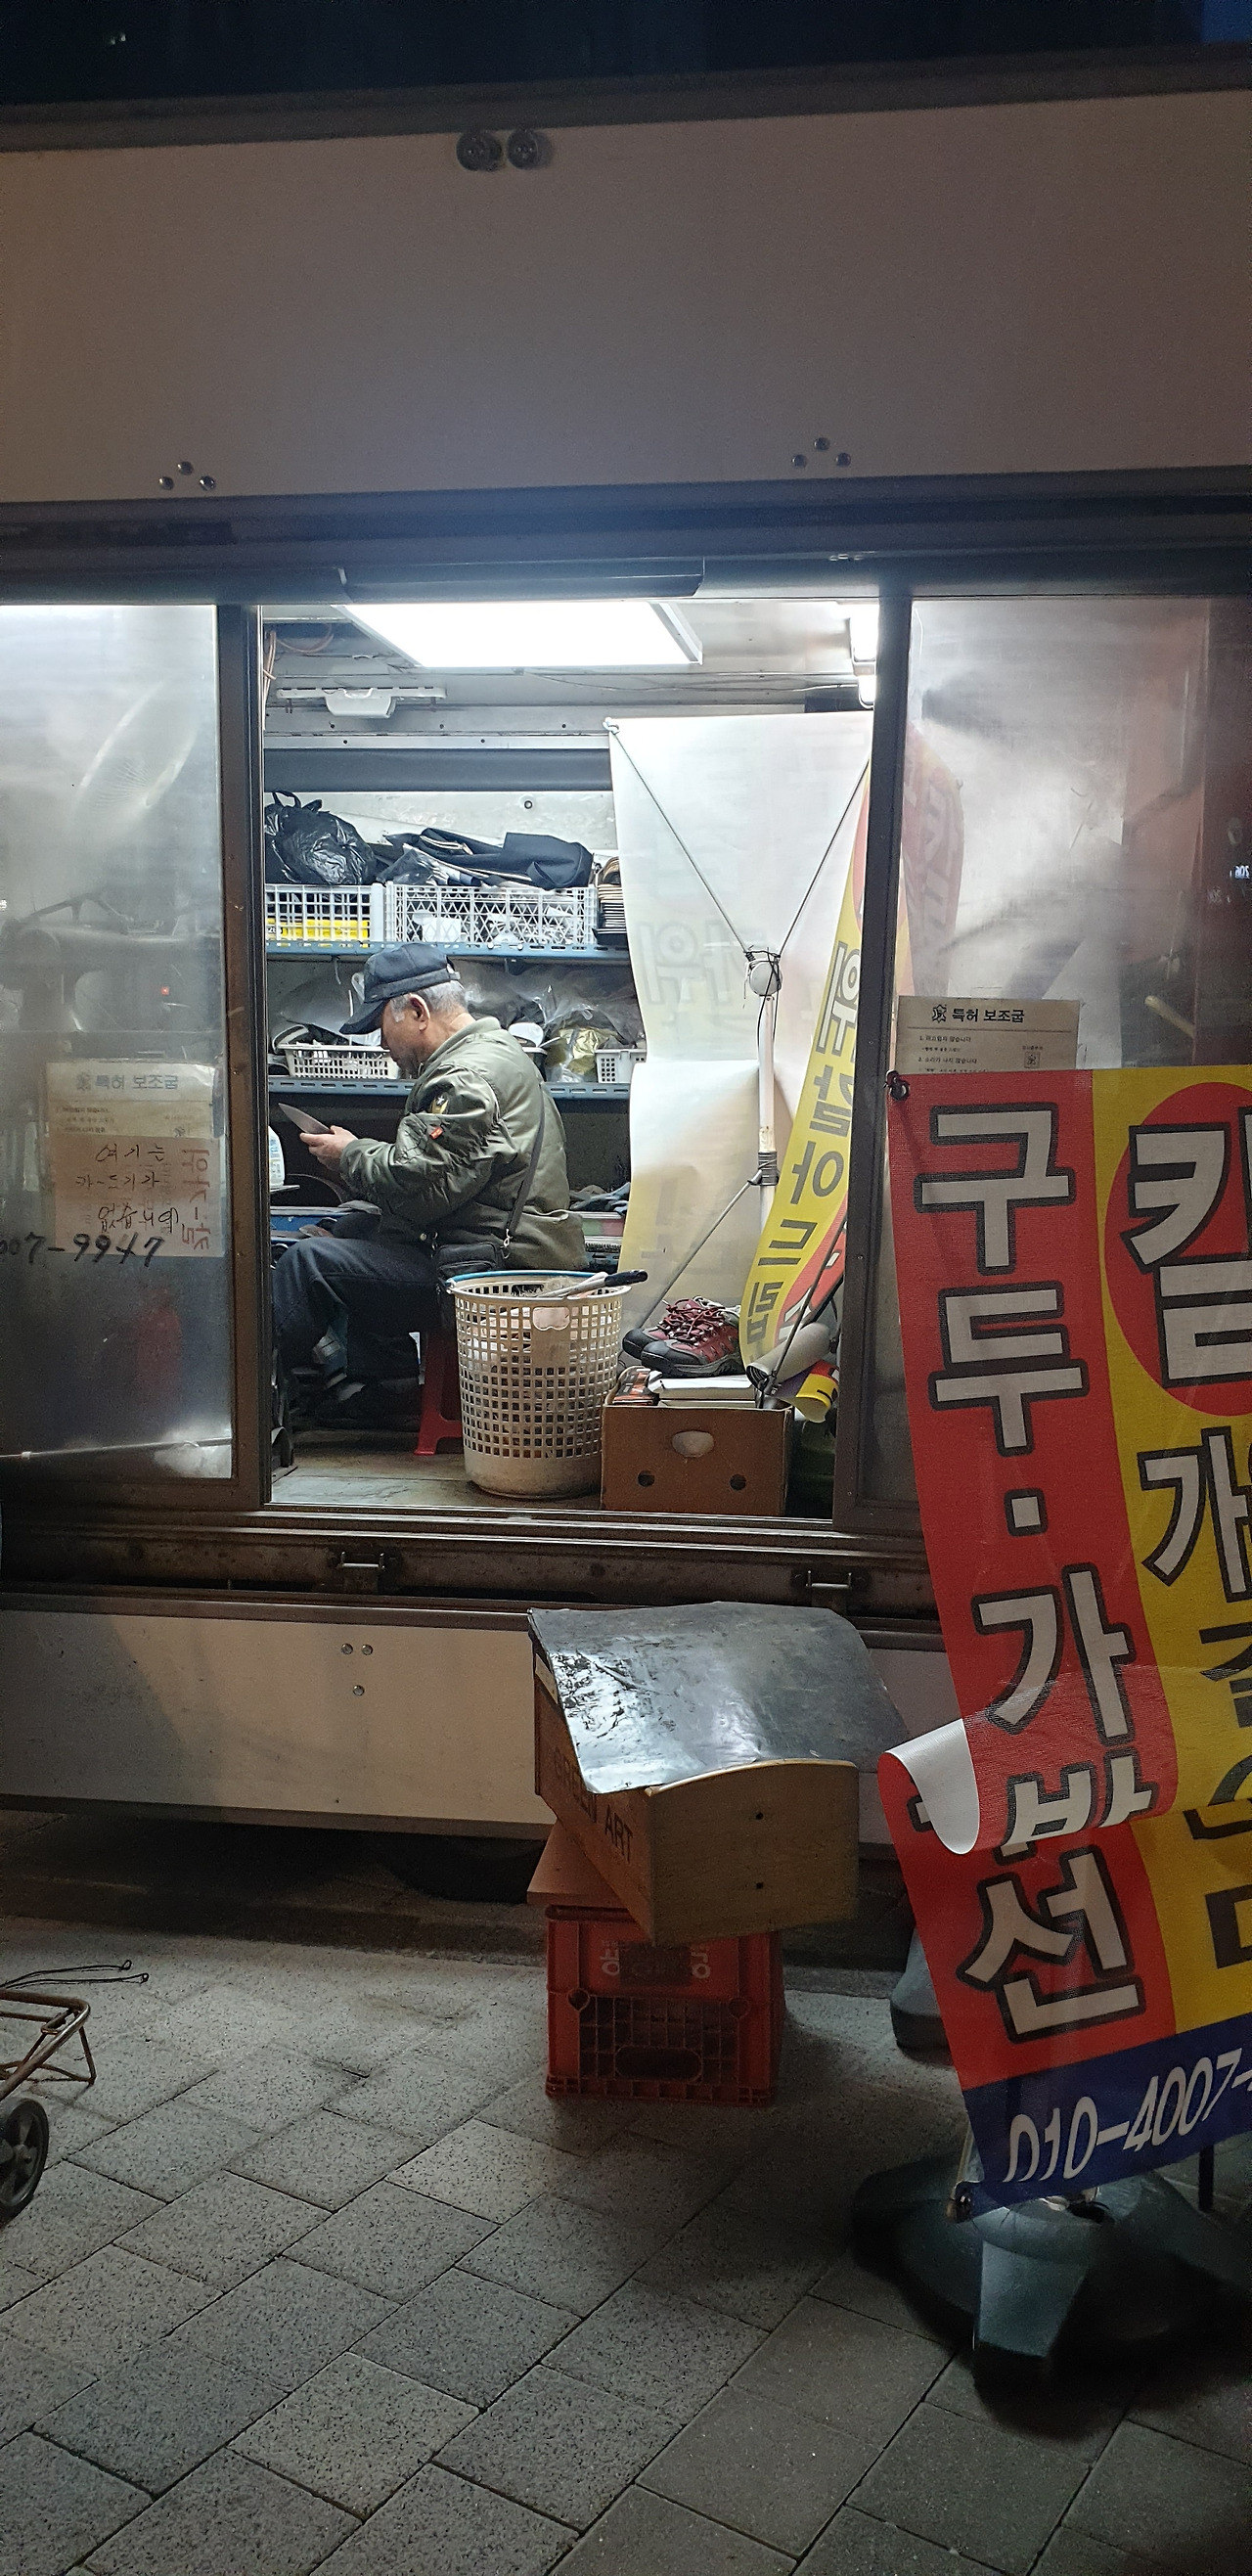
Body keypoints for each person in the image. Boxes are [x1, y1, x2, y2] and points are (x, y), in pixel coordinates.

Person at [272, 944, 586, 1405]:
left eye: (380, 1025)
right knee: (354, 1224)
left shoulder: (465, 1077)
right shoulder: (496, 1053)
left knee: (308, 1264)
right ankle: (385, 1390)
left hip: (492, 1273)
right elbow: (439, 1175)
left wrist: (349, 1155)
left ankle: (251, 1402)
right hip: (492, 1250)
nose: (380, 1043)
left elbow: (419, 1186)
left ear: (417, 1011)